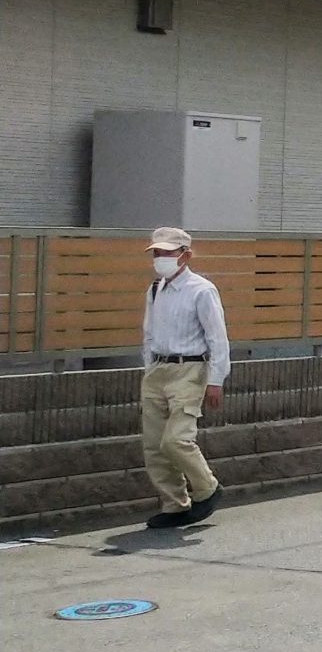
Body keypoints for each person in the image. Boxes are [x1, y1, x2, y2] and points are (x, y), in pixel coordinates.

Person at [138, 225, 228, 530]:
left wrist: (216, 379)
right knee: (154, 445)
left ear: (185, 255)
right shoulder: (155, 289)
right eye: (157, 253)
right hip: (158, 370)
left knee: (177, 439)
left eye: (167, 252)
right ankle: (174, 505)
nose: (160, 258)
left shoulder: (202, 290)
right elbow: (149, 333)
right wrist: (148, 366)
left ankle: (207, 489)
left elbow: (217, 337)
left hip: (189, 369)